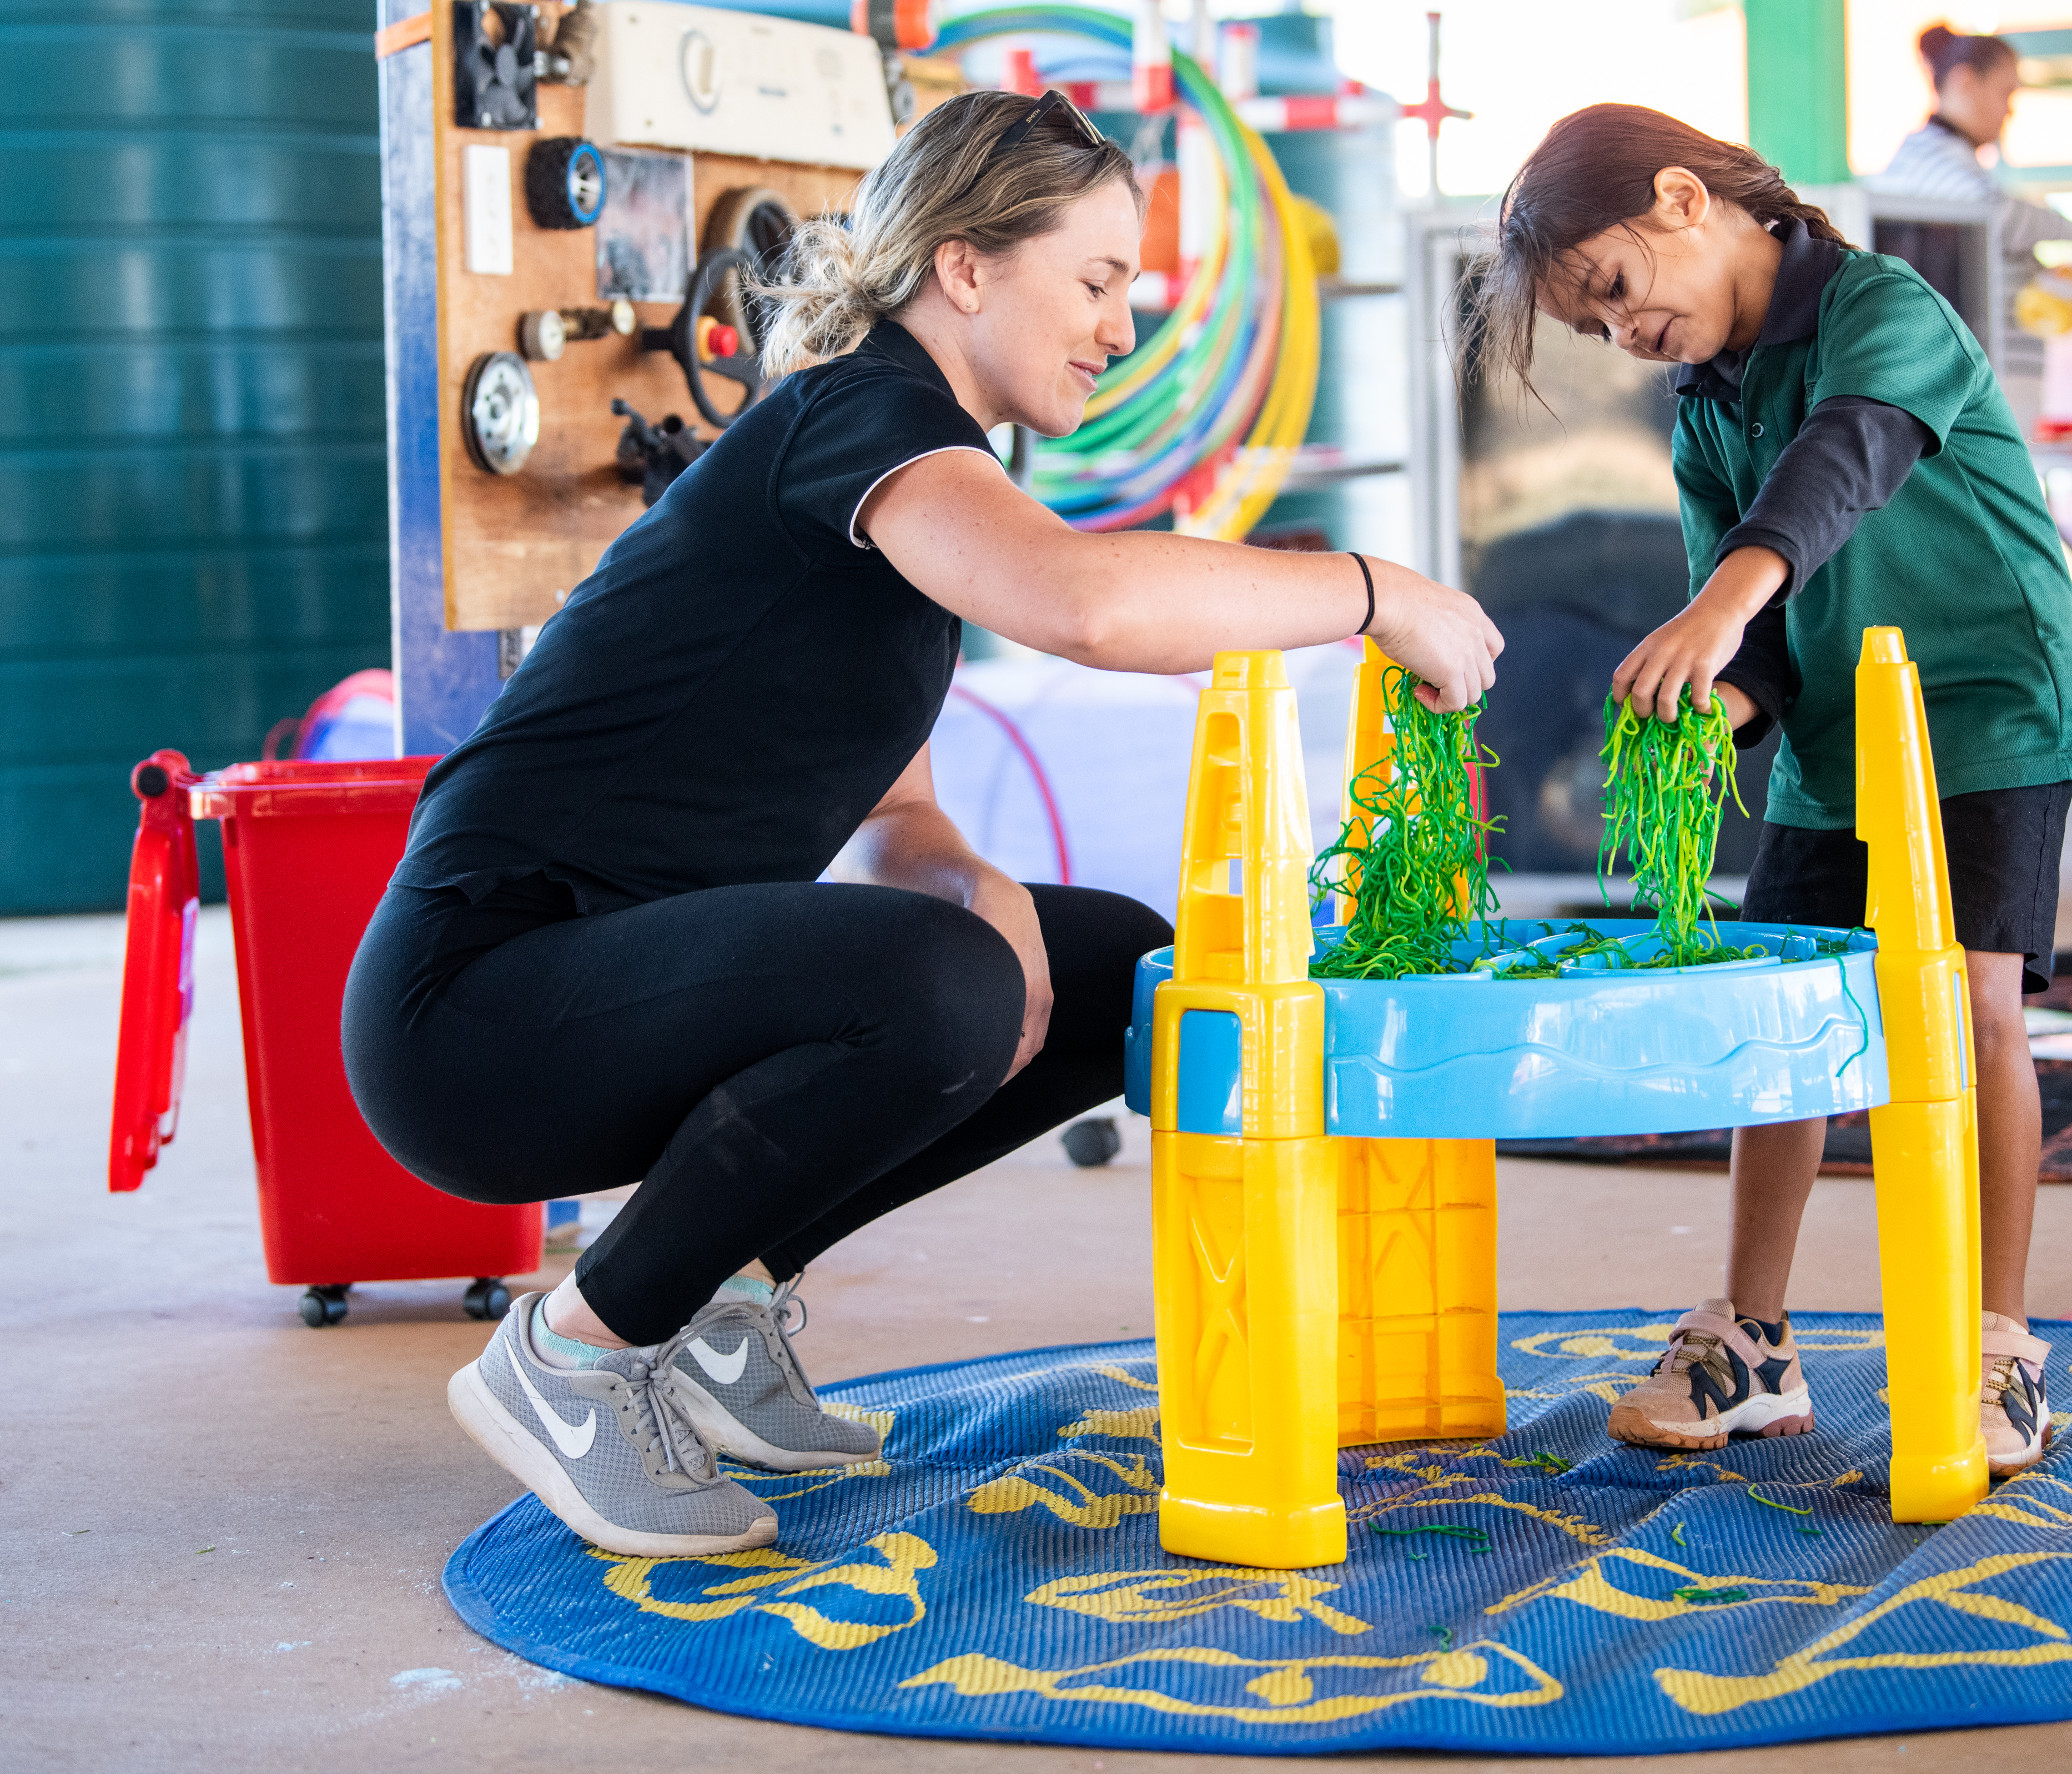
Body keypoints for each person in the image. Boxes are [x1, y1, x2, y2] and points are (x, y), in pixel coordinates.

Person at [342, 87, 1504, 1560]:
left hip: (606, 978)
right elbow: (1086, 604)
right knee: (933, 983)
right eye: (1094, 282)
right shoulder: (864, 415)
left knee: (1104, 971)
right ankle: (575, 1351)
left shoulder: (931, 464)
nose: (1119, 328)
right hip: (479, 1009)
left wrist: (972, 883)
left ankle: (720, 1297)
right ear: (965, 267)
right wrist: (1371, 591)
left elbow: (886, 804)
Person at [1477, 103, 2072, 1476]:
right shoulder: (1703, 405)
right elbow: (1750, 639)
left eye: (1617, 292)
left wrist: (1719, 600)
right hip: (1833, 727)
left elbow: (1845, 459)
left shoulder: (1883, 306)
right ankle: (1751, 1340)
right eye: (1597, 327)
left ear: (1684, 198)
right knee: (1785, 1016)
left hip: (1985, 702)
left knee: (1971, 1002)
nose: (1624, 334)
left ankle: (1994, 1343)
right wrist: (1713, 699)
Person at [1875, 24, 2072, 428]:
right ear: (1966, 82)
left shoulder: (1954, 163)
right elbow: (1995, 216)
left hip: (1982, 379)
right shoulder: (1925, 160)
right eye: (2006, 92)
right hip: (1963, 384)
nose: (2010, 110)